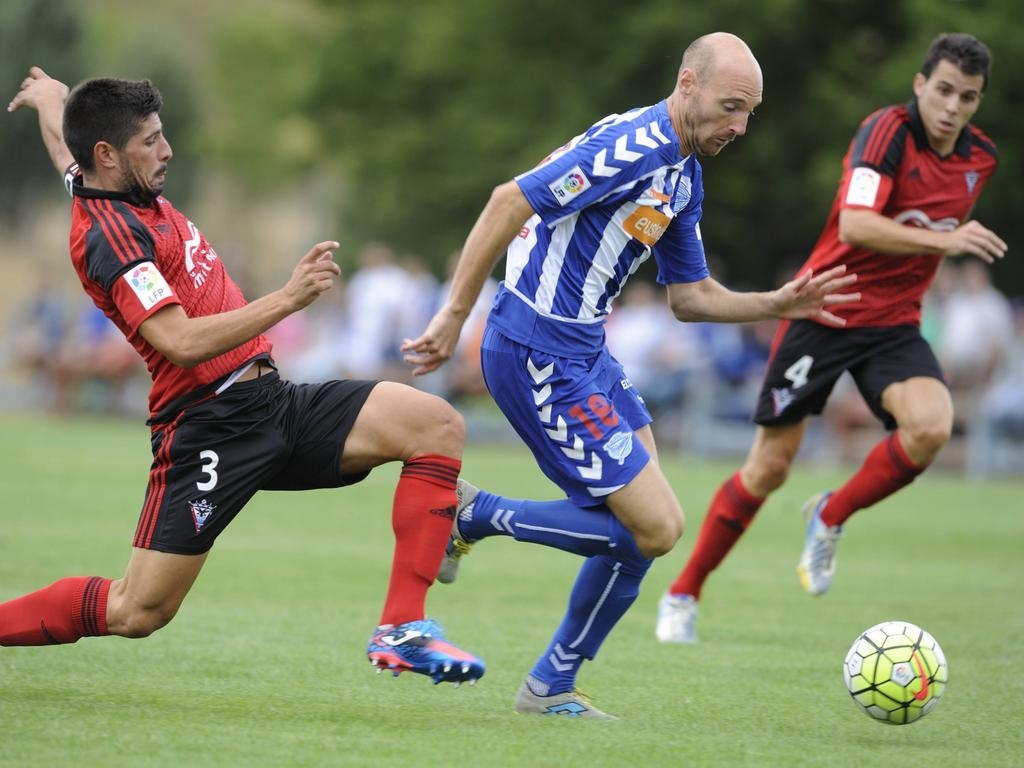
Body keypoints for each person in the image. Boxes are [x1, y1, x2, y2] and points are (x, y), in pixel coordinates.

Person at [401, 32, 858, 717]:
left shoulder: (682, 173)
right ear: (687, 85)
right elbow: (506, 201)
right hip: (535, 350)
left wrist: (777, 302)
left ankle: (550, 685)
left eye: (749, 113)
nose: (740, 126)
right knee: (656, 528)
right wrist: (452, 316)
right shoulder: (632, 149)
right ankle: (474, 514)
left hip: (586, 351)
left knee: (640, 532)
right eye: (731, 106)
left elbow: (690, 297)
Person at [1, 67, 485, 687]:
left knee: (434, 423)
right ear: (108, 155)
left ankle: (402, 629)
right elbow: (178, 342)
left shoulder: (105, 182)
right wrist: (286, 299)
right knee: (138, 610)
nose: (166, 149)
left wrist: (53, 101)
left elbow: (65, 153)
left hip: (271, 401)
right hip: (209, 429)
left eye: (161, 134)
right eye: (149, 140)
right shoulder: (113, 241)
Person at [656, 32, 1006, 644]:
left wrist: (939, 247)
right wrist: (944, 241)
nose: (953, 106)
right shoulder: (887, 132)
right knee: (768, 468)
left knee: (931, 426)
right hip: (826, 307)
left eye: (968, 97)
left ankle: (831, 512)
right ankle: (683, 592)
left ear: (978, 103)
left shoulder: (980, 160)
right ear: (921, 85)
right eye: (944, 90)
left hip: (895, 322)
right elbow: (857, 223)